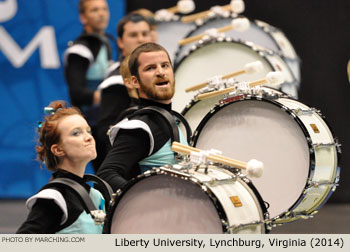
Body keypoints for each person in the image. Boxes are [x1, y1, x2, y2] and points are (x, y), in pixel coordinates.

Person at [97, 42, 188, 192]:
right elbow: (107, 174)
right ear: (135, 81)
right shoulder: (139, 128)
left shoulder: (168, 119)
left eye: (165, 65)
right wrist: (144, 199)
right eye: (150, 68)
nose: (160, 72)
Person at [17, 101, 106, 234]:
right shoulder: (53, 199)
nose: (89, 138)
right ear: (58, 150)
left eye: (88, 131)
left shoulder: (96, 196)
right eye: (76, 133)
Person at [94, 13, 152, 170]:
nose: (141, 39)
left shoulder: (153, 73)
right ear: (120, 42)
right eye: (133, 35)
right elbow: (104, 133)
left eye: (145, 34)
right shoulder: (116, 81)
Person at [63, 0, 112, 170]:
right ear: (83, 18)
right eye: (94, 10)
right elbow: (76, 93)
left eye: (104, 9)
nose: (101, 14)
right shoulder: (80, 50)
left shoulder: (104, 42)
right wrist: (111, 96)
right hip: (93, 126)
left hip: (106, 121)